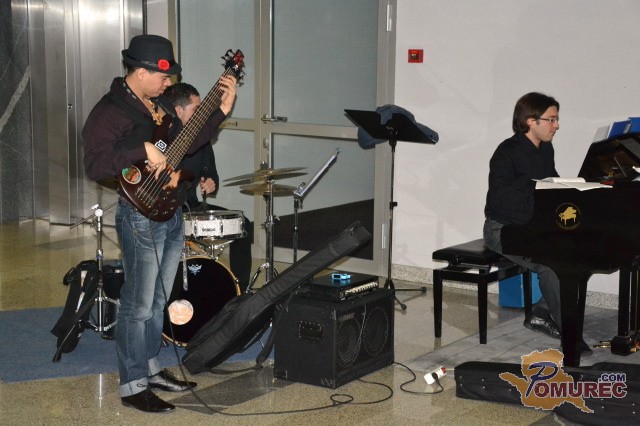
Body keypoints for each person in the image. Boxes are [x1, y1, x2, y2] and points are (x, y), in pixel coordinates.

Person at [82, 34, 237, 413]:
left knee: (157, 299)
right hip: (138, 215)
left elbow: (187, 143)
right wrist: (142, 150)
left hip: (169, 210)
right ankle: (132, 385)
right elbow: (95, 164)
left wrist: (220, 112)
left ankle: (150, 368)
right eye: (163, 77)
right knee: (137, 304)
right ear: (140, 72)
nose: (169, 84)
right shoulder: (110, 111)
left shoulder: (159, 106)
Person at [483, 92, 592, 355]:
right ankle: (570, 336)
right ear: (530, 121)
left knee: (582, 255)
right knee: (550, 265)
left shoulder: (546, 149)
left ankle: (542, 313)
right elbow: (499, 200)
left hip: (531, 227)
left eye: (556, 119)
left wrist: (572, 189)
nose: (557, 125)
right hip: (503, 229)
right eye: (551, 119)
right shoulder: (507, 152)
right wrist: (538, 202)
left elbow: (550, 184)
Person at [164, 82, 253, 290]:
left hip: (193, 208)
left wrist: (211, 182)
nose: (201, 115)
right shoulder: (165, 138)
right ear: (178, 111)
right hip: (168, 212)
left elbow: (211, 173)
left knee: (243, 225)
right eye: (196, 110)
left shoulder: (201, 139)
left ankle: (240, 289)